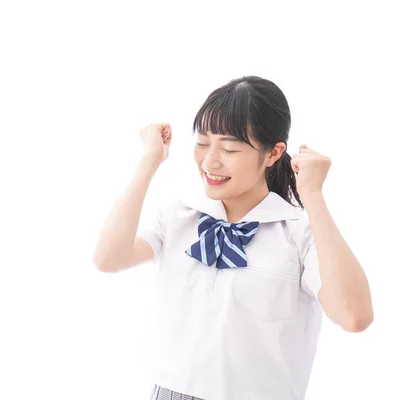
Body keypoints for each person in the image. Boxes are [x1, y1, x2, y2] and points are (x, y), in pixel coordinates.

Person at [92, 76, 373, 400]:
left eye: (229, 148)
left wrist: (312, 196)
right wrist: (149, 161)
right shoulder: (179, 216)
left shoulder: (298, 234)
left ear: (272, 154)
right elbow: (107, 258)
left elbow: (354, 316)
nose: (210, 161)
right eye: (202, 143)